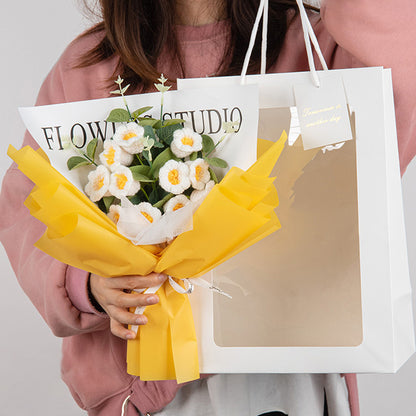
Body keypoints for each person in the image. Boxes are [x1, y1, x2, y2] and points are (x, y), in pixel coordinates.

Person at [1, 0, 415, 415]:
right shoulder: (90, 65)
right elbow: (27, 208)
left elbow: (402, 73)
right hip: (146, 383)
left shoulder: (317, 46)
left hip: (289, 367)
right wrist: (86, 284)